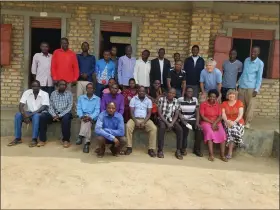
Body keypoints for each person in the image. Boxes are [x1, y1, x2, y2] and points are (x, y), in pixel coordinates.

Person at [7, 80, 49, 147]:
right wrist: (24, 115)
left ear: (39, 86)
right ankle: (18, 138)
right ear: (31, 87)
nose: (35, 88)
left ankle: (34, 139)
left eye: (37, 86)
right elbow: (21, 105)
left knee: (36, 116)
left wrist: (29, 115)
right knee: (18, 115)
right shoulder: (27, 92)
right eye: (33, 86)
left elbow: (43, 107)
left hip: (39, 113)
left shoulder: (45, 94)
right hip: (29, 112)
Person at [39, 80, 73, 148]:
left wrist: (59, 115)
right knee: (43, 116)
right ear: (57, 86)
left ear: (66, 86)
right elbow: (50, 105)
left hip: (64, 113)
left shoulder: (69, 94)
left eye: (64, 85)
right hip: (54, 114)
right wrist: (54, 115)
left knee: (66, 119)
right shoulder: (53, 93)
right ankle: (42, 140)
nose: (62, 86)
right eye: (61, 84)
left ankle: (66, 140)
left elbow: (69, 107)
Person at [125, 86, 157, 157]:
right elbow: (131, 112)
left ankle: (151, 149)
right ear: (138, 92)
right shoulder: (133, 99)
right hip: (134, 118)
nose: (141, 92)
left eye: (143, 91)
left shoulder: (148, 100)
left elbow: (149, 113)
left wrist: (144, 122)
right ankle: (129, 147)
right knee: (128, 126)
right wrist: (136, 121)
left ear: (145, 92)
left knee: (153, 128)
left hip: (145, 119)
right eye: (140, 91)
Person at [238, 46, 263, 129]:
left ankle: (247, 122)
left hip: (251, 88)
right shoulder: (246, 60)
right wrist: (238, 83)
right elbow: (243, 73)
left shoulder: (260, 63)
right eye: (252, 51)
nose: (253, 53)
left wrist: (256, 89)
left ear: (258, 53)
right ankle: (241, 121)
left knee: (250, 106)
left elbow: (259, 78)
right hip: (242, 86)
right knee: (241, 105)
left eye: (255, 51)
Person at [199, 89, 227, 162]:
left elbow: (220, 116)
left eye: (214, 97)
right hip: (206, 122)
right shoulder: (203, 104)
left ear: (216, 98)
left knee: (223, 134)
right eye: (211, 96)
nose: (212, 98)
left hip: (217, 122)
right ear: (208, 97)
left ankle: (222, 155)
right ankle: (211, 154)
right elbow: (202, 116)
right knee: (210, 133)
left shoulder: (218, 105)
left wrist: (214, 123)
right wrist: (212, 123)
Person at [157, 88, 183, 160]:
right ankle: (160, 150)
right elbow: (159, 113)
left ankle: (178, 150)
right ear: (167, 93)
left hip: (172, 120)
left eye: (173, 93)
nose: (171, 94)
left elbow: (176, 114)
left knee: (180, 130)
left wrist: (171, 123)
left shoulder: (176, 101)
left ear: (175, 94)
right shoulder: (161, 100)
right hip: (162, 119)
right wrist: (167, 123)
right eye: (170, 92)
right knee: (162, 128)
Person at [178, 86, 203, 157]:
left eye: (191, 91)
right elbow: (178, 112)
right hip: (183, 120)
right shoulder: (180, 100)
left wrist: (197, 123)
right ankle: (183, 148)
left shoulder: (195, 99)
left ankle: (197, 150)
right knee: (185, 130)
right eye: (188, 91)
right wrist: (184, 121)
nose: (190, 93)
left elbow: (197, 112)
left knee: (199, 129)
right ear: (185, 92)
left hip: (192, 120)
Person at [76, 83, 100, 153]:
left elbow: (97, 110)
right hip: (83, 116)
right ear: (86, 89)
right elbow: (79, 109)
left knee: (87, 121)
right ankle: (86, 144)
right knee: (87, 122)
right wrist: (81, 116)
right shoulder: (81, 98)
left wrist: (90, 117)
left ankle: (81, 136)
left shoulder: (97, 99)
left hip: (93, 116)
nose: (90, 89)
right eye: (88, 88)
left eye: (91, 88)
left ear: (94, 90)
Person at [221, 89, 245, 160]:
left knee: (233, 129)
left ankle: (230, 153)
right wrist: (227, 121)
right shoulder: (224, 103)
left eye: (233, 94)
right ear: (227, 95)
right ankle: (240, 141)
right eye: (230, 94)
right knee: (232, 129)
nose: (231, 95)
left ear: (235, 96)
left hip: (238, 121)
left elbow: (240, 115)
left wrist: (234, 122)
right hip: (227, 121)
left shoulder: (239, 102)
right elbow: (223, 114)